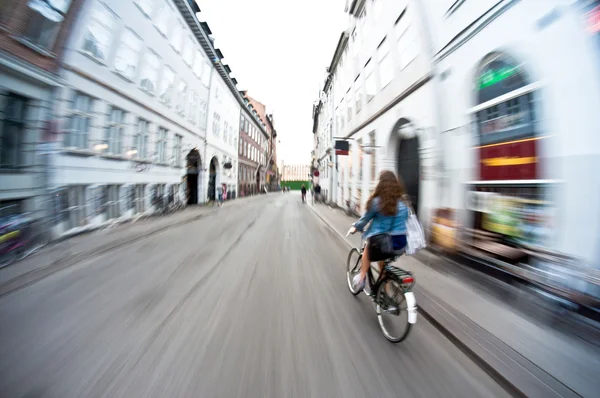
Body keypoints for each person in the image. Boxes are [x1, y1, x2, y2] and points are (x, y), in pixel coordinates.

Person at [349, 170, 409, 291]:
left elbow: (365, 219)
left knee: (368, 248)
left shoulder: (377, 202)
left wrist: (355, 227)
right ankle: (385, 291)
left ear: (381, 184)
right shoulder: (403, 203)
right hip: (400, 243)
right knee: (382, 262)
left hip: (382, 242)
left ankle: (361, 279)